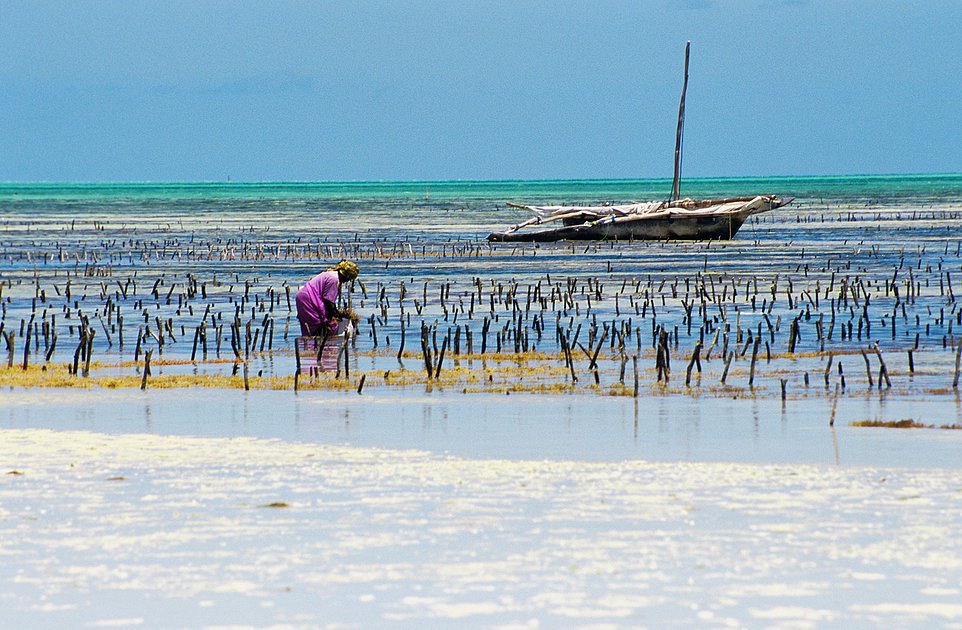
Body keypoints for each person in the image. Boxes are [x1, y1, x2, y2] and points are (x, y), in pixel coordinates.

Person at [295, 260, 359, 337]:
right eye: (349, 278)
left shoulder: (330, 274)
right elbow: (328, 302)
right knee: (321, 324)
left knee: (312, 325)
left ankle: (313, 345)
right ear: (345, 275)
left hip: (303, 297)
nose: (347, 281)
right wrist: (337, 315)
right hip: (309, 299)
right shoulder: (334, 279)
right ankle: (320, 345)